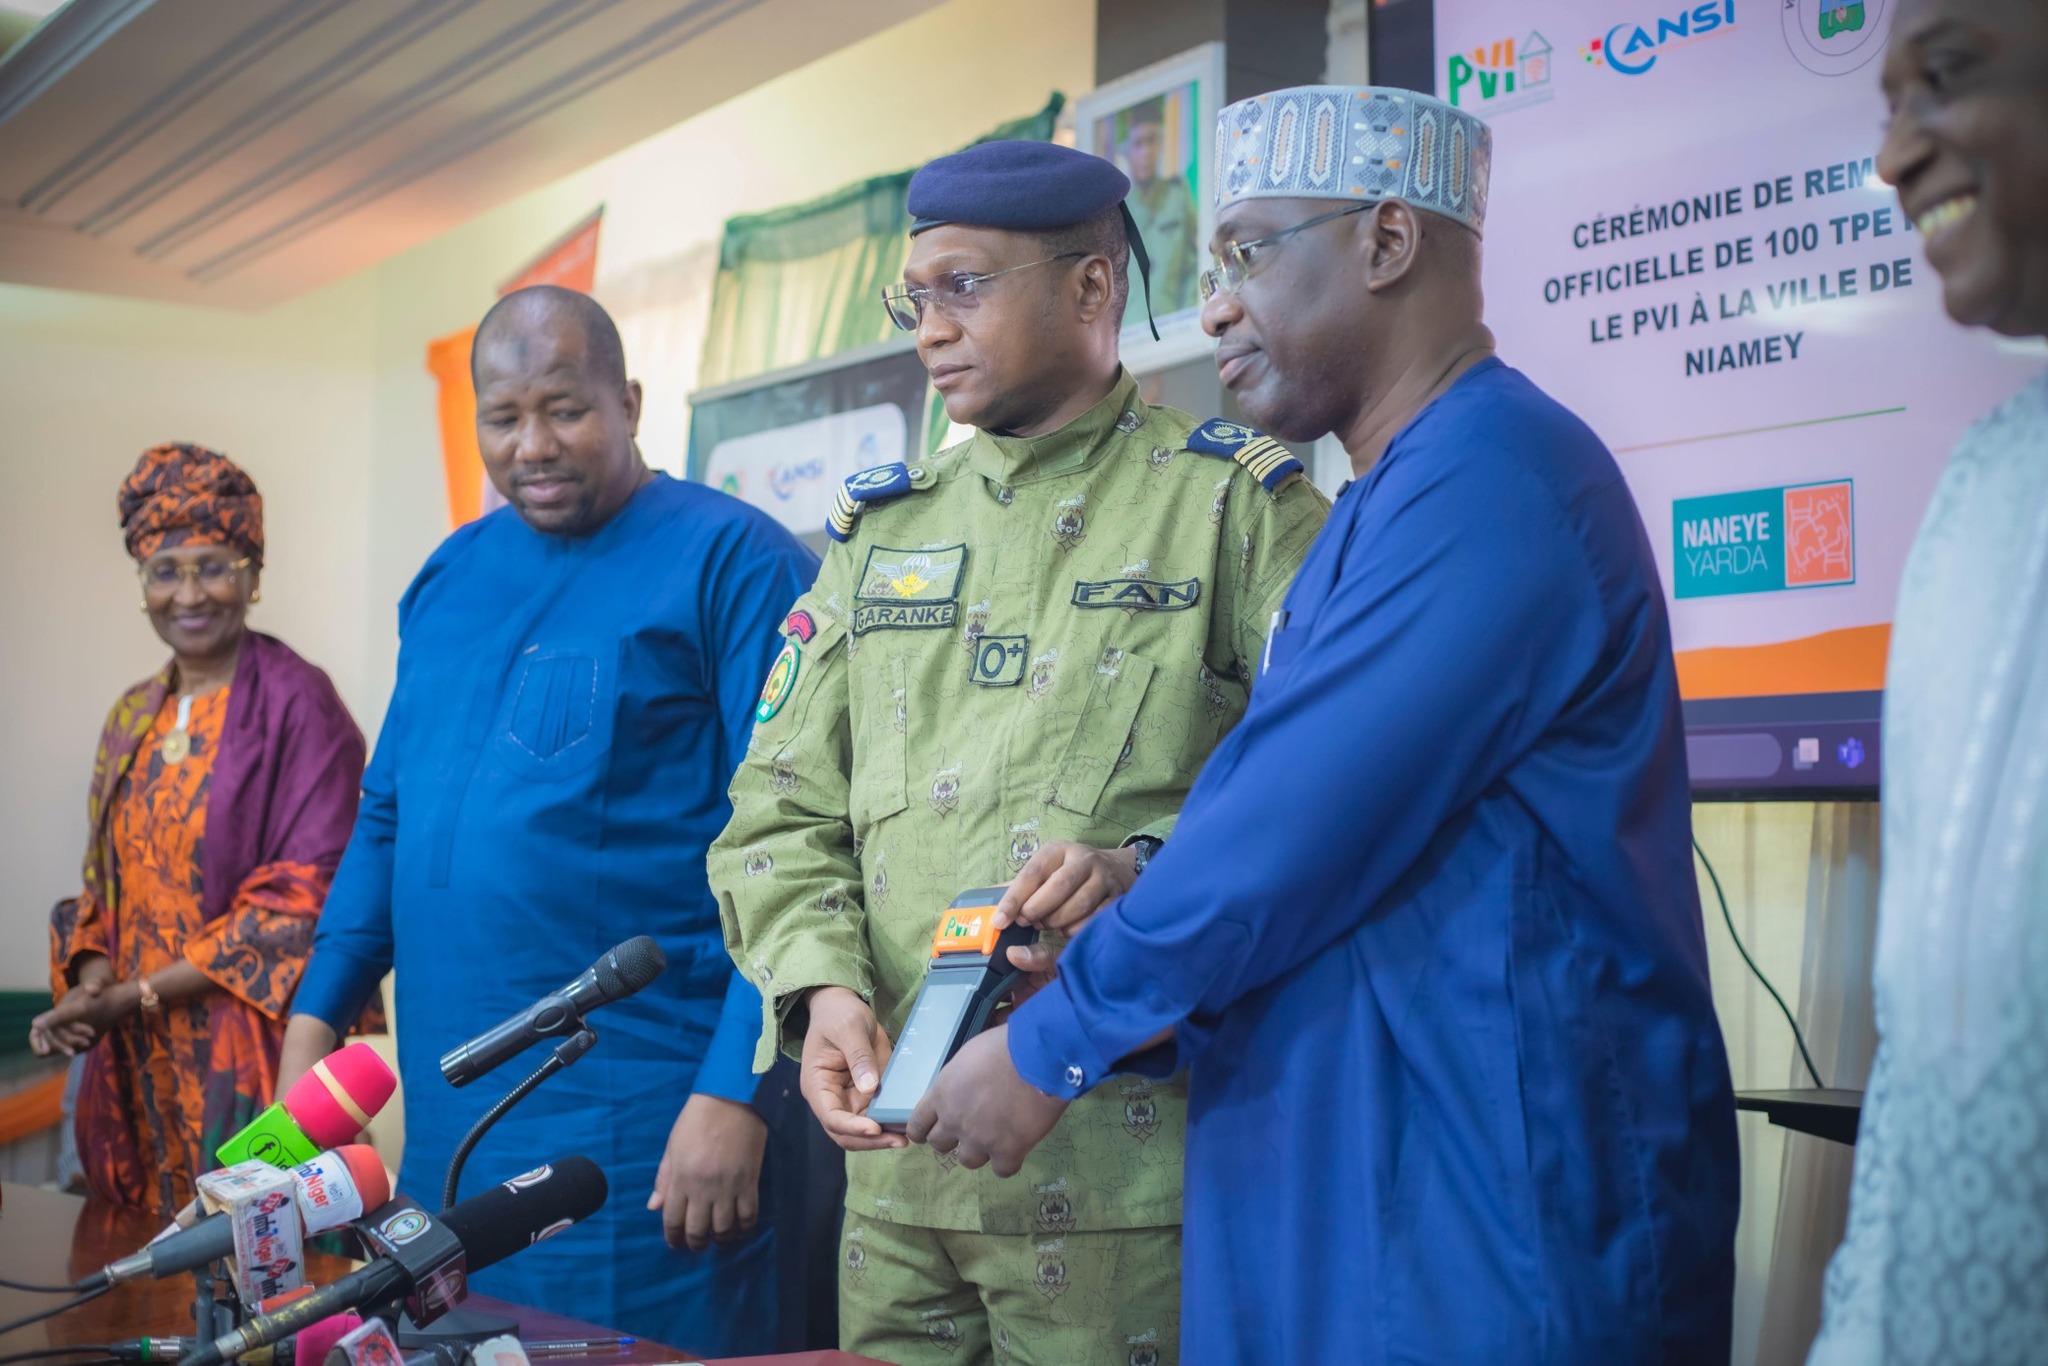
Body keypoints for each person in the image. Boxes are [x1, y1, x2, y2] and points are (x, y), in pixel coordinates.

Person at [908, 87, 1741, 1364]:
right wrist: (1139, 881)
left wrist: (1050, 1046)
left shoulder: (1495, 480)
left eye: (1246, 251)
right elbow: (1307, 826)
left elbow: (1295, 829)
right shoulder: (1381, 497)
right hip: (1354, 1173)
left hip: (1482, 1204)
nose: (1214, 306)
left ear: (1387, 243)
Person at [711, 140, 1327, 1366]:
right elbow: (776, 806)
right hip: (893, 1184)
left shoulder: (1235, 510)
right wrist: (821, 990)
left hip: (1126, 1172)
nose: (928, 329)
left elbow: (1319, 804)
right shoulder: (879, 534)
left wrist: (1137, 871)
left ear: (1092, 288)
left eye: (964, 288)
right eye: (913, 297)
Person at [277, 287, 827, 1356]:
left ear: (626, 400)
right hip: (457, 1130)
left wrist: (737, 1095)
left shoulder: (735, 562)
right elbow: (389, 812)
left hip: (647, 1124)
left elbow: (799, 843)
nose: (533, 445)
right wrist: (319, 1008)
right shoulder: (448, 578)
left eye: (566, 409)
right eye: (503, 416)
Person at [1808, 2, 2048, 1360]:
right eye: (1885, 103)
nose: (1895, 155)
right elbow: (1920, 1084)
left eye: (1946, 81)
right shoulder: (1984, 484)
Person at [30, 444, 372, 1218]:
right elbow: (100, 886)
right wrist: (92, 990)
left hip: (249, 1050)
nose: (190, 593)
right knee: (136, 1272)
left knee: (253, 1265)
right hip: (132, 1059)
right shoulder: (130, 716)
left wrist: (134, 995)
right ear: (141, 585)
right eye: (165, 570)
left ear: (253, 576)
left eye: (214, 566)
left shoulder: (299, 704)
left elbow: (307, 897)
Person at [1118, 100, 1199, 314]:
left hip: (1175, 325)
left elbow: (1194, 265)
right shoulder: (1116, 214)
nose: (1147, 152)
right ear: (1126, 150)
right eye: (1138, 144)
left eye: (1152, 141)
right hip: (1131, 335)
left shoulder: (1178, 195)